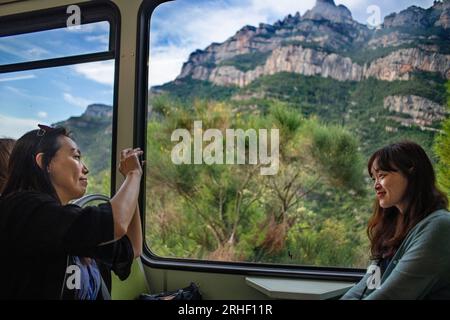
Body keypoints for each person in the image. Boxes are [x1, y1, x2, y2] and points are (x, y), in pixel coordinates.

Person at [0, 125, 143, 300]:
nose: (85, 169)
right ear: (44, 162)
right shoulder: (23, 209)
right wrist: (133, 174)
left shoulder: (67, 219)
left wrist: (130, 183)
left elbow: (133, 247)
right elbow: (116, 222)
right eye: (76, 157)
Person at [341, 141, 449, 300]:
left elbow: (393, 294)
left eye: (382, 175)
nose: (376, 185)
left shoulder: (439, 227)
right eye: (374, 178)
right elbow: (369, 285)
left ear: (411, 172)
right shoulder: (390, 229)